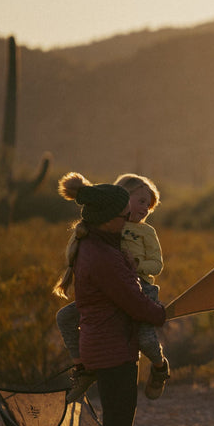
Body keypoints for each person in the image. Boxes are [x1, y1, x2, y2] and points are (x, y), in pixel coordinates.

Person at [53, 172, 167, 426]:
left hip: (111, 347)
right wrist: (161, 313)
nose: (128, 222)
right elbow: (133, 301)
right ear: (107, 219)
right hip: (111, 350)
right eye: (123, 217)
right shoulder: (101, 254)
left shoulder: (100, 244)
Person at [56, 172, 170, 402]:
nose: (145, 209)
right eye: (140, 202)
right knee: (65, 317)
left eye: (148, 205)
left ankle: (159, 368)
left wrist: (136, 265)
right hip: (109, 291)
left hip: (142, 288)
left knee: (146, 340)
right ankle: (82, 369)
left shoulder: (147, 232)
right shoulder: (106, 229)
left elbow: (157, 265)